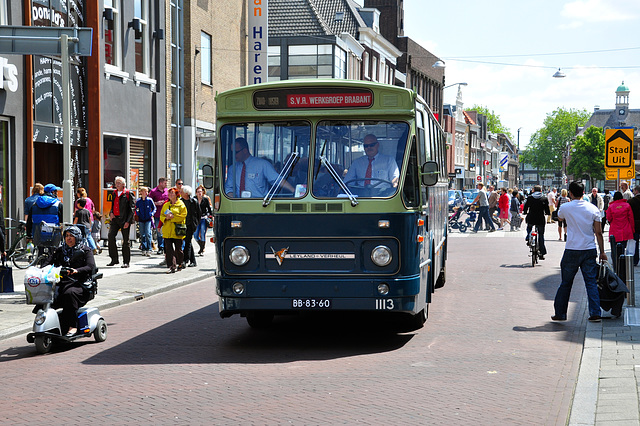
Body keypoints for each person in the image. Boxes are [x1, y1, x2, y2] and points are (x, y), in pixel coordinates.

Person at [553, 181, 607, 322]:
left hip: (572, 249)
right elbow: (599, 232)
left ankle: (560, 313)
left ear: (570, 193)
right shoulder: (593, 209)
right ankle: (595, 312)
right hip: (589, 249)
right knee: (590, 282)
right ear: (584, 192)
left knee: (566, 282)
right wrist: (602, 252)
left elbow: (559, 217)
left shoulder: (565, 207)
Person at [44, 225, 96, 336]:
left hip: (80, 284)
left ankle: (73, 326)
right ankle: (46, 325)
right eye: (67, 236)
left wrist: (77, 271)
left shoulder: (85, 250)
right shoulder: (59, 251)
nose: (68, 238)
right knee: (44, 295)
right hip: (61, 283)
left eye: (71, 236)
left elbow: (90, 266)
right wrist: (38, 271)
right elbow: (47, 264)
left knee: (69, 293)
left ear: (77, 237)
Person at [225, 137, 295, 198]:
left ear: (245, 150)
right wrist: (232, 198)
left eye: (236, 152)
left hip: (259, 205)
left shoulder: (262, 165)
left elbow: (277, 180)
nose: (234, 155)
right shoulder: (232, 169)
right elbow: (229, 187)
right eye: (232, 152)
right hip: (238, 206)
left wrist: (294, 190)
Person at [107, 176, 135, 268]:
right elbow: (113, 204)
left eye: (119, 183)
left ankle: (126, 261)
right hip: (115, 219)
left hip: (124, 219)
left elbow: (132, 209)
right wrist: (111, 212)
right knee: (111, 236)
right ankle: (114, 259)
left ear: (123, 184)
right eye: (116, 182)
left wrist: (128, 221)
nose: (117, 184)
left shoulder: (128, 193)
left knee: (125, 241)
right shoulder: (114, 193)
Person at [160, 188, 187, 273]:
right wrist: (165, 218)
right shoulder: (166, 205)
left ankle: (180, 263)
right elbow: (161, 215)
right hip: (167, 230)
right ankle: (171, 266)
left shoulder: (181, 205)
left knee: (178, 250)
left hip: (177, 231)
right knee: (168, 249)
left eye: (172, 193)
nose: (171, 195)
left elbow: (183, 216)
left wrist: (172, 218)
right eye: (169, 193)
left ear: (176, 194)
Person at [523, 185, 550, 260]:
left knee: (529, 227)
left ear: (533, 190)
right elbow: (547, 209)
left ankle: (528, 237)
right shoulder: (544, 198)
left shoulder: (530, 198)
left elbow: (526, 207)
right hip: (540, 219)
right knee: (541, 235)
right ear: (541, 191)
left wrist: (525, 212)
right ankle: (541, 252)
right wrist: (548, 213)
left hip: (531, 217)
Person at [606, 191, 635, 257]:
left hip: (614, 230)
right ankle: (622, 262)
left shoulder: (611, 206)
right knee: (623, 248)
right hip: (625, 230)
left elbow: (609, 218)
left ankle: (615, 262)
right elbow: (631, 219)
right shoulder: (627, 205)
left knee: (614, 249)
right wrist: (632, 230)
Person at [180, 185, 201, 267]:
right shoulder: (180, 201)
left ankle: (185, 260)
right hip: (182, 225)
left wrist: (196, 224)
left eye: (182, 191)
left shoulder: (194, 201)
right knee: (188, 242)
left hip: (190, 225)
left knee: (187, 242)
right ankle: (193, 261)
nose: (180, 193)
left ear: (186, 193)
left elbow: (199, 213)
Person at [149, 177, 169, 255]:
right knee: (159, 231)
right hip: (158, 214)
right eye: (165, 183)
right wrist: (156, 203)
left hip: (166, 214)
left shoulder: (167, 191)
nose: (166, 185)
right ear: (160, 183)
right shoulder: (153, 191)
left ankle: (166, 247)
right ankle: (160, 247)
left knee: (166, 231)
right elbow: (149, 201)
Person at [135, 186, 156, 257]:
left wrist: (152, 214)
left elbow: (154, 208)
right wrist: (137, 213)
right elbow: (135, 208)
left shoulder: (149, 200)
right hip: (141, 219)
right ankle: (143, 248)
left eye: (146, 191)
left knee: (148, 233)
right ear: (141, 192)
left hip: (148, 219)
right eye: (143, 191)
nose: (145, 193)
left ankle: (149, 249)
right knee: (142, 234)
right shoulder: (138, 201)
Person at [195, 185, 212, 256]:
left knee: (202, 233)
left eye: (200, 192)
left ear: (202, 192)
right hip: (196, 219)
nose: (199, 193)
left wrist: (211, 217)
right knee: (195, 235)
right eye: (198, 192)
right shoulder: (194, 199)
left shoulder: (205, 200)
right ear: (196, 193)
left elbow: (209, 209)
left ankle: (202, 249)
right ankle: (201, 246)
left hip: (203, 219)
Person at [627, 186, 640, 266]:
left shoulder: (631, 201)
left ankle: (635, 259)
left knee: (635, 242)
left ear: (635, 191)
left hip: (635, 224)